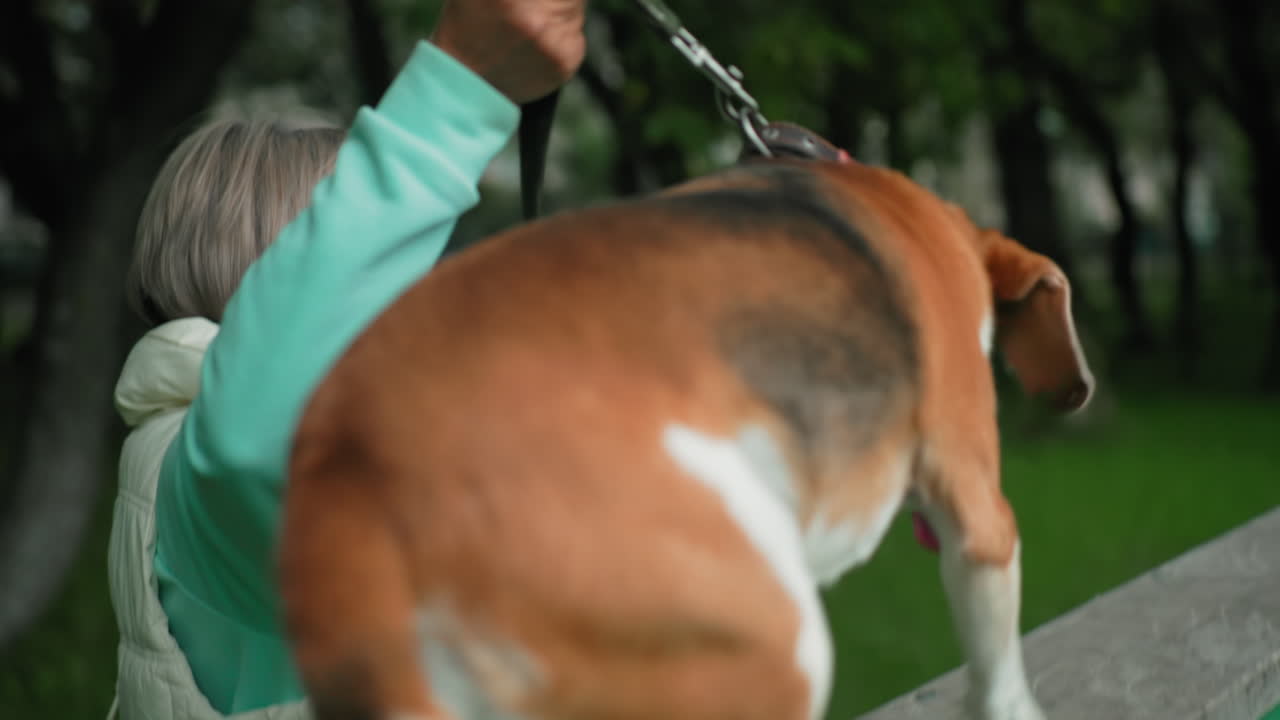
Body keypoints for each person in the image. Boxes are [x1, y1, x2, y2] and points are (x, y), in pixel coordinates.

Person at [107, 1, 589, 717]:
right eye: (380, 261)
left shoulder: (213, 467)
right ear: (291, 283)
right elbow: (260, 433)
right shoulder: (212, 475)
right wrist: (458, 91)